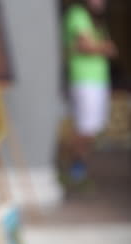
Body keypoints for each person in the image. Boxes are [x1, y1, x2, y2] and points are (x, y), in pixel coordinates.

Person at [62, 0, 117, 183]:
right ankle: (72, 166)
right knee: (84, 128)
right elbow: (85, 45)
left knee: (91, 129)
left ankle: (78, 166)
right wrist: (106, 48)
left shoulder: (96, 21)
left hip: (97, 80)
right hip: (84, 79)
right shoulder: (78, 14)